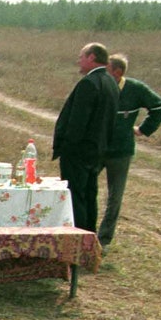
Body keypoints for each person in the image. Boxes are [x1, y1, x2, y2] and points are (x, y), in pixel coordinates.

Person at [99, 53, 161, 247]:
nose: (102, 74)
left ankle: (103, 240)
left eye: (106, 70)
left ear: (118, 72)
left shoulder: (135, 89)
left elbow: (160, 106)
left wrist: (144, 129)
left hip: (121, 152)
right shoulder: (98, 87)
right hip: (96, 149)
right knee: (83, 190)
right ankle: (81, 232)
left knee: (115, 197)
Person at [52, 42, 119, 231]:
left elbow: (78, 122)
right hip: (97, 151)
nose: (78, 61)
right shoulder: (110, 82)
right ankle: (90, 234)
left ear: (92, 57)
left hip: (79, 152)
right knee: (90, 196)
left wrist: (67, 147)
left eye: (81, 57)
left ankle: (79, 237)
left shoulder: (89, 83)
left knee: (76, 197)